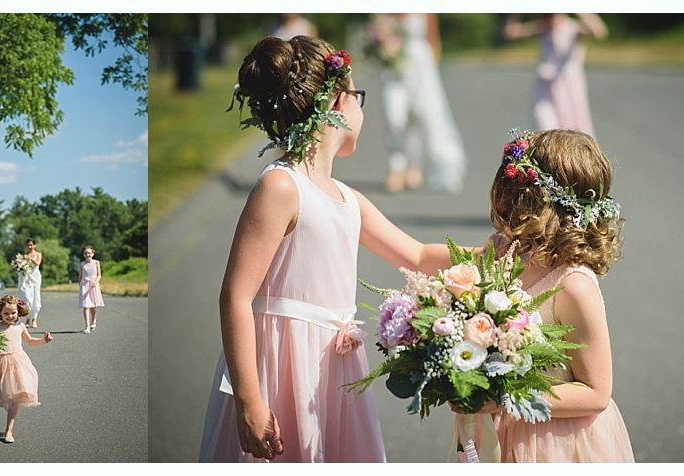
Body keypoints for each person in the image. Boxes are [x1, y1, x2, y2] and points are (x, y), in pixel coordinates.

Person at [200, 35, 468, 462]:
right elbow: (235, 295)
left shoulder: (347, 198)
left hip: (333, 369)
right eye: (357, 96)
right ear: (337, 104)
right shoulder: (281, 186)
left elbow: (417, 256)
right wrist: (249, 399)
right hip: (283, 367)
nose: (361, 108)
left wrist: (504, 250)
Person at [454, 128, 632, 462]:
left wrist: (505, 397)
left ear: (531, 202)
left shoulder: (573, 286)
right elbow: (429, 257)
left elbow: (597, 393)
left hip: (555, 442)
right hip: (500, 430)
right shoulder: (505, 252)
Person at [372, 13, 467, 193]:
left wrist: (432, 67)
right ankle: (396, 165)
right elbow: (375, 32)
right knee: (394, 116)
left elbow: (432, 36)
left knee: (420, 114)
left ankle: (414, 166)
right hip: (392, 66)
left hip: (420, 65)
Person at [503, 14, 608, 136]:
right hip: (546, 86)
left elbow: (599, 32)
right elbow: (510, 33)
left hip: (568, 87)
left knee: (573, 129)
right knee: (544, 124)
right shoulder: (542, 28)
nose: (549, 19)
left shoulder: (572, 28)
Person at [0, 294, 54, 443]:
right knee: (3, 396)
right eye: (6, 313)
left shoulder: (20, 326)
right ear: (0, 313)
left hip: (18, 362)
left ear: (19, 312)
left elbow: (30, 341)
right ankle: (10, 413)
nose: (10, 316)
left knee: (14, 398)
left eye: (13, 313)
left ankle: (9, 431)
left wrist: (44, 340)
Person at [77, 245, 105, 334]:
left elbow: (99, 275)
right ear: (84, 255)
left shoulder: (96, 263)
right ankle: (87, 327)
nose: (87, 255)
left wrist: (95, 282)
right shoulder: (82, 264)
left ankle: (94, 320)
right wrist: (80, 286)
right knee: (86, 306)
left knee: (93, 307)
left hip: (94, 285)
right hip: (84, 285)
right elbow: (80, 276)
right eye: (85, 253)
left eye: (89, 253)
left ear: (92, 254)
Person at [17, 238, 43, 328]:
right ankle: (27, 318)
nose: (30, 247)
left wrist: (30, 258)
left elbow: (37, 263)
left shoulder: (38, 254)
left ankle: (34, 319)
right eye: (28, 245)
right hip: (26, 278)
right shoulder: (24, 255)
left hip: (35, 278)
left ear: (34, 245)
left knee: (36, 298)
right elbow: (22, 265)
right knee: (27, 298)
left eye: (31, 245)